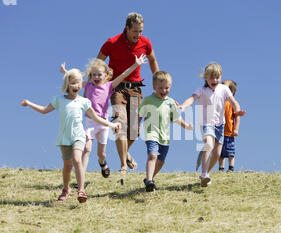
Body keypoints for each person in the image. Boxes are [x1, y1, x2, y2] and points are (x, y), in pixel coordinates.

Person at [21, 69, 120, 203]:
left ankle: (81, 190)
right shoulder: (59, 100)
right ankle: (66, 189)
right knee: (67, 166)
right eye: (73, 83)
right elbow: (44, 110)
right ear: (67, 84)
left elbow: (96, 118)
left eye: (79, 83)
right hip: (64, 138)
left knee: (77, 160)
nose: (77, 86)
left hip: (78, 136)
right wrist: (28, 103)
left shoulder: (84, 102)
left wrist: (112, 125)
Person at [60, 54, 147, 178]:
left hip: (103, 125)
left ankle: (102, 163)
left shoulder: (108, 86)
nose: (96, 77)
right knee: (87, 149)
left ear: (106, 75)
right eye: (93, 74)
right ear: (90, 76)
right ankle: (81, 177)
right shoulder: (89, 85)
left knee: (101, 154)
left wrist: (136, 65)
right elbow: (75, 80)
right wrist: (65, 72)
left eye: (99, 74)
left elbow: (123, 75)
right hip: (90, 123)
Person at [97, 12, 160, 173]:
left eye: (141, 31)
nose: (138, 35)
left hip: (135, 90)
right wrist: (101, 82)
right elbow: (98, 62)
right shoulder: (112, 42)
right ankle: (123, 166)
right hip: (117, 88)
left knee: (134, 131)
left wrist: (157, 80)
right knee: (120, 123)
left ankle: (125, 154)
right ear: (127, 28)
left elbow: (152, 60)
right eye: (135, 31)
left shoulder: (145, 43)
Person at [179, 63, 246, 187]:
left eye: (217, 77)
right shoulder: (201, 90)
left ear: (220, 76)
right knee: (208, 144)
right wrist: (183, 106)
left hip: (220, 125)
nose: (214, 80)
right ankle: (204, 174)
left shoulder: (224, 89)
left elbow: (233, 102)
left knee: (217, 154)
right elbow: (192, 99)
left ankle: (205, 174)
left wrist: (237, 110)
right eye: (211, 77)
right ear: (205, 78)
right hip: (206, 124)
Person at [138, 71, 193, 191]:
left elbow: (177, 119)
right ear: (154, 87)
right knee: (152, 155)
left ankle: (149, 178)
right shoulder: (148, 100)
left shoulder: (170, 102)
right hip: (151, 133)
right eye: (160, 88)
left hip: (164, 136)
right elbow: (140, 114)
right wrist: (135, 126)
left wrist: (187, 126)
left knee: (161, 161)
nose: (163, 90)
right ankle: (150, 181)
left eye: (167, 88)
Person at [218, 80, 239, 172]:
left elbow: (236, 118)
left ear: (231, 92)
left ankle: (231, 168)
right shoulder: (219, 102)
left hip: (229, 132)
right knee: (220, 152)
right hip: (219, 132)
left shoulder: (232, 104)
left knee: (230, 151)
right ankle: (221, 169)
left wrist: (236, 129)